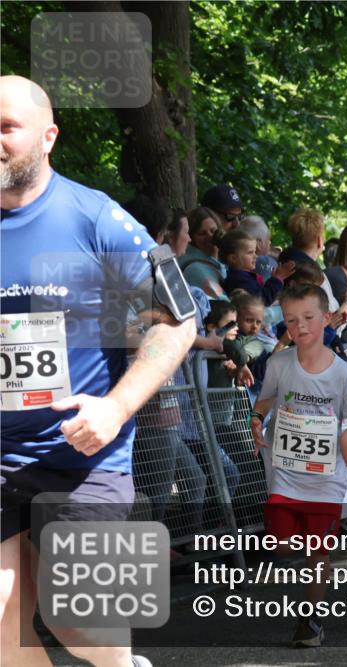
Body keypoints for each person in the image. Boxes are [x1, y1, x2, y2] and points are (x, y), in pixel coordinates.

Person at [1, 75, 195, 667]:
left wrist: (116, 407)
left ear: (48, 136)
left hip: (81, 455)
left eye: (7, 127)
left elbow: (177, 321)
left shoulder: (96, 219)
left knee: (76, 618)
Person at [249, 284, 347, 647]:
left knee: (318, 551)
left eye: (308, 318)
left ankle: (312, 621)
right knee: (279, 543)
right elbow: (266, 398)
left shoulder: (341, 373)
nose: (299, 326)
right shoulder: (279, 363)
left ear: (327, 319)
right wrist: (256, 419)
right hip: (286, 473)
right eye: (291, 320)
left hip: (327, 477)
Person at [219, 229, 294, 305]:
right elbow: (263, 299)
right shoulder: (239, 280)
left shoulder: (242, 277)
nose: (255, 256)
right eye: (250, 252)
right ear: (233, 258)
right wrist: (278, 279)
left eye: (254, 252)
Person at [180, 206, 226, 298]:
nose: (210, 237)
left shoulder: (220, 262)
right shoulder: (196, 269)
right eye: (202, 233)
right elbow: (222, 301)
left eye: (213, 231)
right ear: (191, 238)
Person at [240, 214, 278, 280]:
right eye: (268, 239)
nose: (270, 243)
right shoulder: (266, 262)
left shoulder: (237, 259)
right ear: (259, 243)